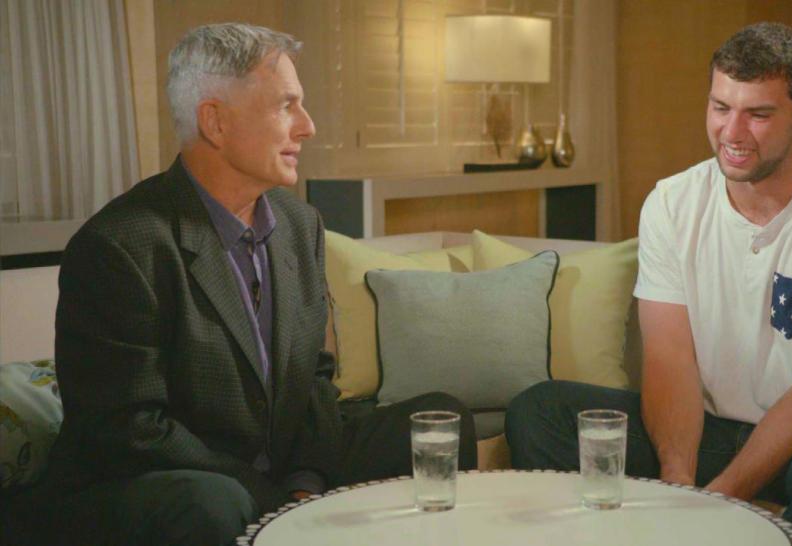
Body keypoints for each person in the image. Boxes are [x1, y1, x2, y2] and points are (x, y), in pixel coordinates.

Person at [14, 23, 476, 546]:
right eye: (286, 106)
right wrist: (272, 500)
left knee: (438, 422)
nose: (307, 126)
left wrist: (306, 482)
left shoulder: (299, 223)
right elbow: (131, 429)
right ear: (215, 121)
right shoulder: (120, 245)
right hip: (161, 482)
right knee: (216, 502)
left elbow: (313, 378)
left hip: (276, 466)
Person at [506, 22, 792, 546]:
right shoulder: (671, 203)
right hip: (711, 430)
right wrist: (679, 481)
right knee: (542, 410)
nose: (732, 133)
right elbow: (669, 358)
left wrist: (718, 501)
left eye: (758, 114)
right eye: (721, 107)